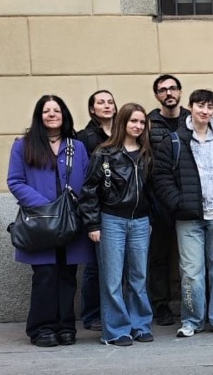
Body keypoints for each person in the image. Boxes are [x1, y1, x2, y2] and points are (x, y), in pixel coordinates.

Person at [151, 88, 213, 337]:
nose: (205, 111)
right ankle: (191, 320)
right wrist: (179, 203)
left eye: (210, 107)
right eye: (200, 106)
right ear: (191, 107)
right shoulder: (175, 140)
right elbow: (161, 176)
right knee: (191, 272)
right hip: (188, 218)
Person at [7, 95, 93, 347]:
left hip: (70, 221)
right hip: (41, 221)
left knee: (67, 275)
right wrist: (44, 206)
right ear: (39, 115)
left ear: (64, 115)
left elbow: (87, 180)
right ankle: (41, 328)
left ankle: (66, 326)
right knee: (45, 275)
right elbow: (15, 181)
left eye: (57, 110)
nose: (52, 114)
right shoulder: (23, 145)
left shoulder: (76, 147)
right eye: (46, 111)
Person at [79, 103, 155, 346]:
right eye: (133, 121)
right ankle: (115, 330)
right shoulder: (104, 153)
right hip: (111, 220)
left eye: (142, 122)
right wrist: (92, 225)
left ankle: (140, 325)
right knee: (112, 279)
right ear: (122, 122)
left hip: (140, 221)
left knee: (138, 277)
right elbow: (89, 191)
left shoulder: (146, 152)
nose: (138, 126)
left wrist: (150, 219)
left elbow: (150, 190)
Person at [147, 74, 187, 327]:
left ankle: (194, 304)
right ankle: (161, 305)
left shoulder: (192, 119)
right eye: (163, 90)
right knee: (159, 256)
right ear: (157, 95)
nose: (168, 93)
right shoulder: (149, 123)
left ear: (180, 92)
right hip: (158, 200)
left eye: (172, 88)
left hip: (189, 198)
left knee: (192, 256)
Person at [77, 89, 116, 333]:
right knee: (94, 265)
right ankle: (92, 314)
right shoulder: (85, 137)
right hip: (96, 208)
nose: (106, 105)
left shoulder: (122, 132)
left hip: (119, 207)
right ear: (92, 109)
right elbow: (84, 178)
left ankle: (114, 311)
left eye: (110, 101)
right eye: (100, 102)